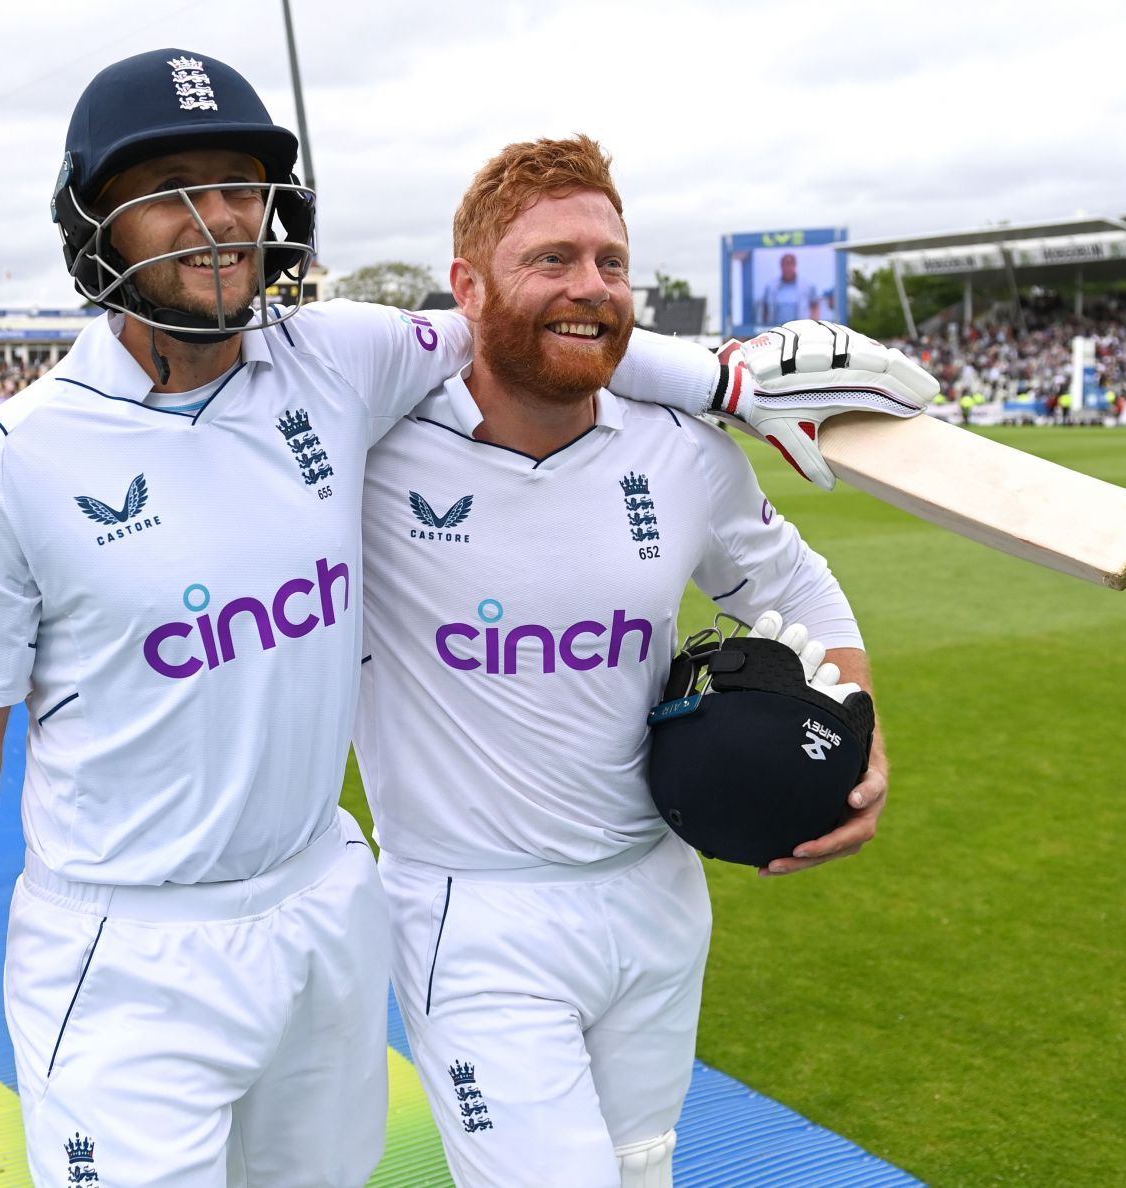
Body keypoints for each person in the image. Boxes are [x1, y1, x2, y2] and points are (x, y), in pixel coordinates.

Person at [0, 50, 921, 1188]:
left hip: (324, 908)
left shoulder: (336, 361)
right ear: (93, 220)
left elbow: (540, 338)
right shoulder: (9, 466)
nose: (219, 220)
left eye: (240, 186)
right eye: (172, 189)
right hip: (130, 943)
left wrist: (725, 383)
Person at [358, 135, 889, 1188]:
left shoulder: (682, 451)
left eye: (611, 261)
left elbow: (794, 587)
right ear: (467, 285)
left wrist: (858, 737)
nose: (590, 287)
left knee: (644, 1170)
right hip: (472, 914)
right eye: (551, 260)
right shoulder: (372, 443)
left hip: (657, 889)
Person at [758, 251, 820, 323]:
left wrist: (813, 324)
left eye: (790, 265)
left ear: (795, 265)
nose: (787, 268)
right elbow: (765, 309)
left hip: (800, 329)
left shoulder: (808, 286)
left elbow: (815, 306)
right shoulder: (770, 287)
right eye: (785, 265)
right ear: (781, 266)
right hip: (777, 328)